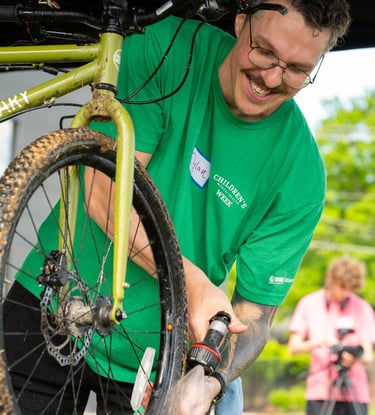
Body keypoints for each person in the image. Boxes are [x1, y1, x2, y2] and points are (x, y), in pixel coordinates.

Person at [3, 0, 351, 414]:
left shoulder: (301, 174)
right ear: (241, 23)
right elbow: (102, 193)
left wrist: (210, 380)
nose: (272, 78)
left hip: (159, 362)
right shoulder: (165, 49)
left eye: (297, 70)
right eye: (265, 52)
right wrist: (195, 285)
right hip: (52, 304)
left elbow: (255, 314)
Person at [288, 255, 375, 415]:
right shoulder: (309, 303)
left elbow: (368, 355)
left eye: (350, 288)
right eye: (342, 286)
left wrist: (356, 358)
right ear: (331, 279)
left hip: (355, 390)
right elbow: (294, 347)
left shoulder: (363, 308)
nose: (345, 293)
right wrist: (318, 343)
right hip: (319, 390)